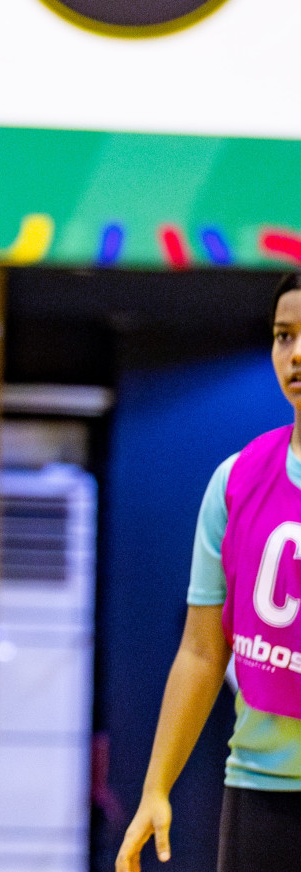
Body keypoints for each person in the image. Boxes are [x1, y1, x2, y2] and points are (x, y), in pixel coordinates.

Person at [117, 274, 301, 872]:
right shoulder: (236, 481)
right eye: (282, 335)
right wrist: (154, 786)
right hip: (260, 789)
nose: (294, 353)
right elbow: (201, 651)